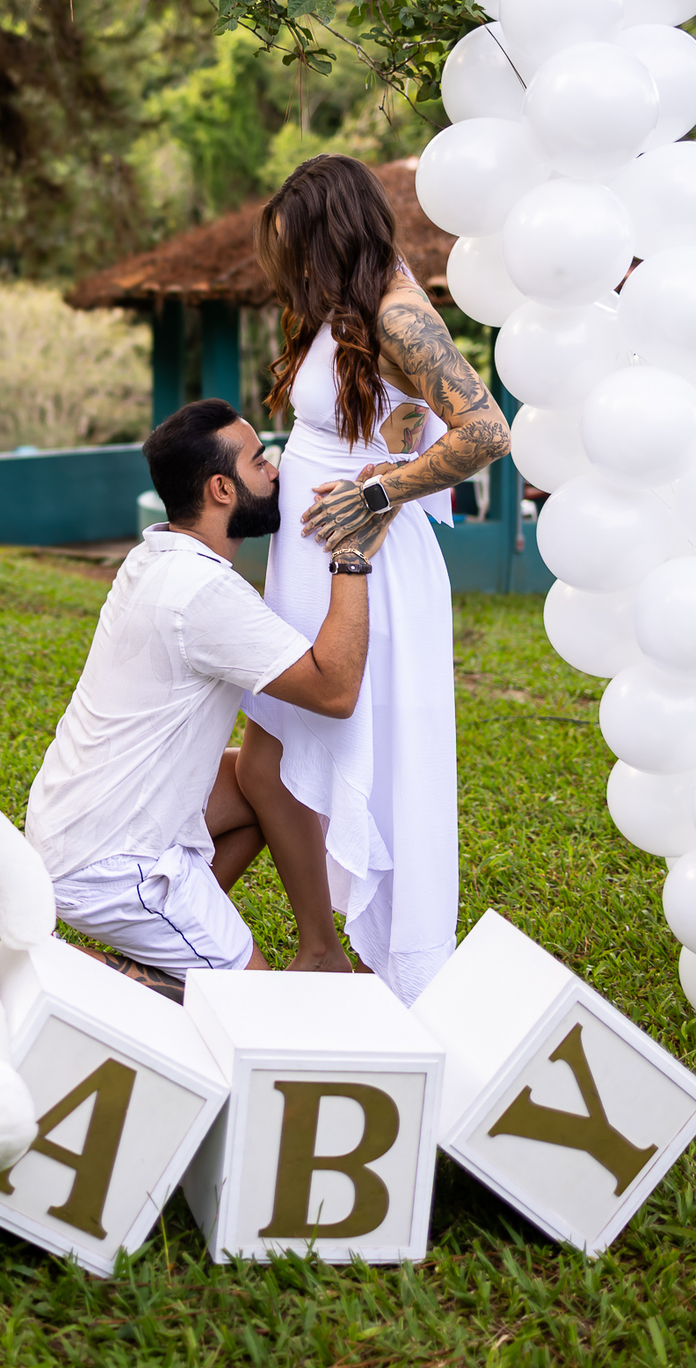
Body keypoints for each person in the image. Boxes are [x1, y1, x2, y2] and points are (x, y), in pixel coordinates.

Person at [237, 153, 511, 1004]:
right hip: (309, 565)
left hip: (368, 573)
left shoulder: (397, 313)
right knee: (268, 762)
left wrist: (382, 492)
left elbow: (486, 432)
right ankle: (319, 949)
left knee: (332, 764)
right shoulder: (342, 311)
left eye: (300, 246)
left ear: (336, 234)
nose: (291, 266)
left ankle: (355, 959)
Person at [24, 397, 391, 988]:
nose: (275, 471)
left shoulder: (154, 557)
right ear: (222, 489)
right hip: (115, 870)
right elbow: (335, 690)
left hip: (74, 828)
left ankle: (309, 950)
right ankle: (93, 973)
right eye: (259, 461)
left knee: (264, 777)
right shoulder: (203, 591)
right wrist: (351, 554)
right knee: (249, 1013)